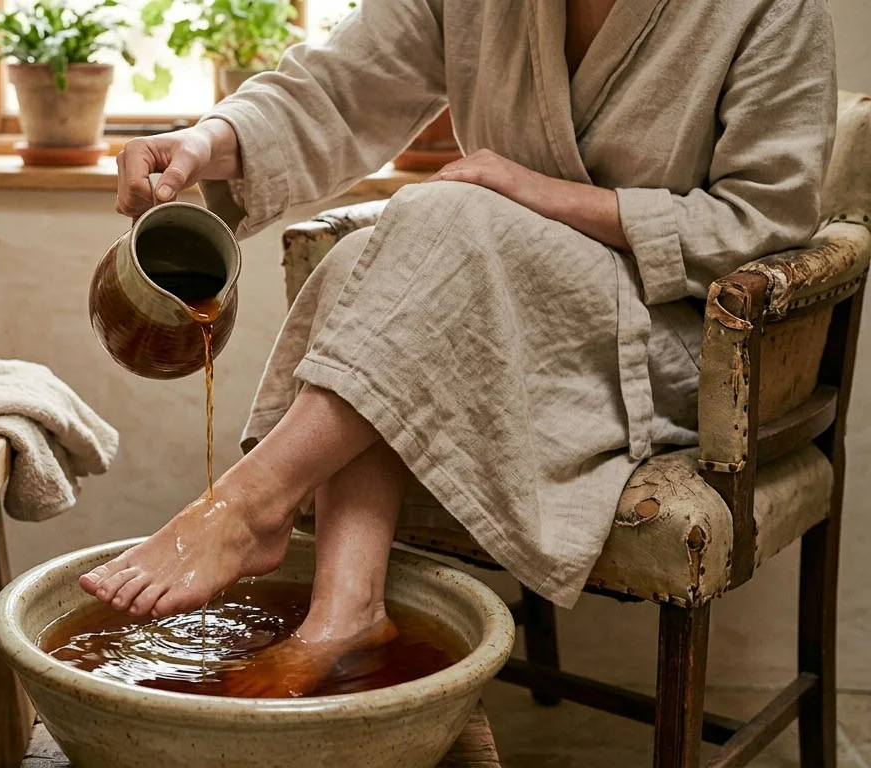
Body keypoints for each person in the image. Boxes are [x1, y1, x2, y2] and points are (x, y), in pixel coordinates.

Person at [80, 0, 838, 696]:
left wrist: (540, 194)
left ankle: (250, 505)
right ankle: (346, 614)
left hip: (666, 339)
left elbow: (763, 222)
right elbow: (340, 88)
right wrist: (205, 140)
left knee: (442, 216)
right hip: (493, 317)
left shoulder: (769, 10)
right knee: (364, 262)